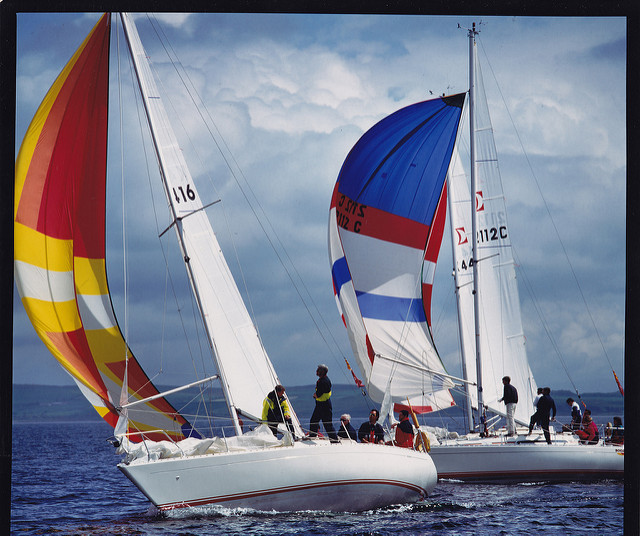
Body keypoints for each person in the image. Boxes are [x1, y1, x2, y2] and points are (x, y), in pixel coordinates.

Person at [309, 364, 338, 440]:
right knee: (314, 421)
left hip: (323, 406)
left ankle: (334, 440)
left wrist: (315, 395)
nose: (316, 371)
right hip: (321, 405)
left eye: (318, 370)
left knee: (327, 424)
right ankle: (312, 436)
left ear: (322, 371)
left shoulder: (322, 382)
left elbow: (318, 394)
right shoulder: (325, 380)